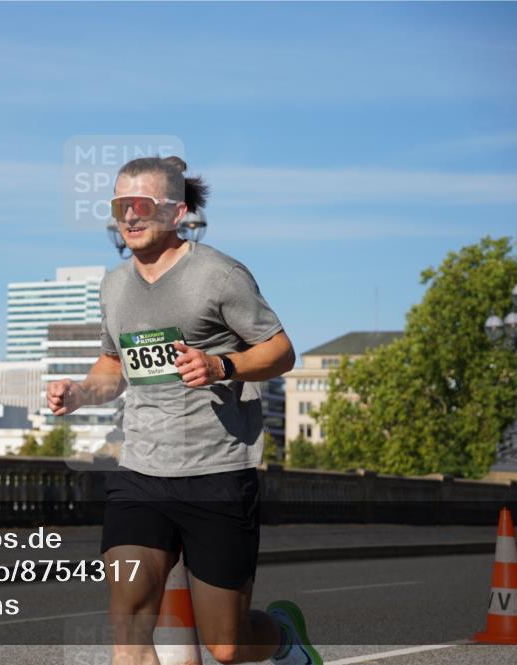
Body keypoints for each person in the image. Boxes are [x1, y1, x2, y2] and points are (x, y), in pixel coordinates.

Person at [47, 156, 322, 665]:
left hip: (216, 472)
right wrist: (80, 393)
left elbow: (281, 351)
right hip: (141, 473)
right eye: (118, 206)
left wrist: (222, 366)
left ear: (176, 213)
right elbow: (114, 365)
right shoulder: (114, 285)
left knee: (226, 645)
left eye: (141, 206)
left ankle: (283, 637)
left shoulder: (219, 275)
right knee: (128, 625)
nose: (128, 217)